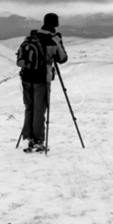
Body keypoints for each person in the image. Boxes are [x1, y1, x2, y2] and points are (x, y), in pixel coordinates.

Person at [20, 13, 68, 152]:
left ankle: (29, 137)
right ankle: (38, 141)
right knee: (40, 109)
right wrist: (59, 42)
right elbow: (62, 58)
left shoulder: (31, 36)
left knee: (29, 108)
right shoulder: (53, 39)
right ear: (55, 23)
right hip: (41, 79)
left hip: (26, 77)